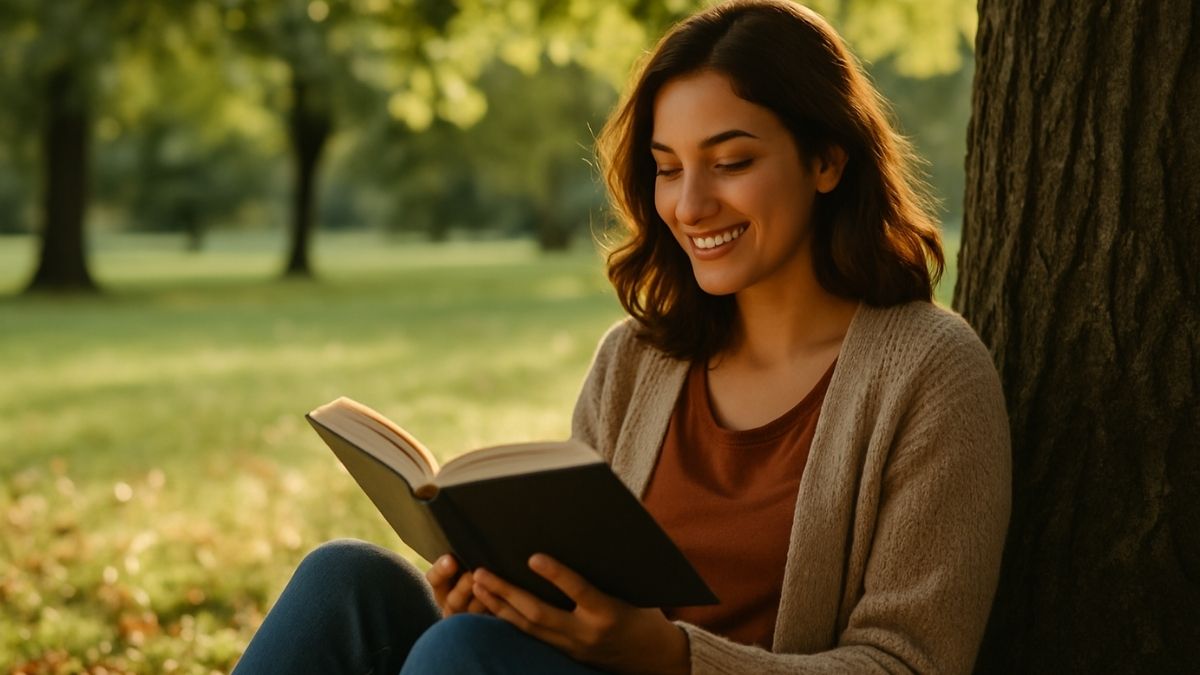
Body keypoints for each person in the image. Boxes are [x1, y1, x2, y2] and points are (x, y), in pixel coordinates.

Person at [232, 0, 1010, 673]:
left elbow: (910, 663)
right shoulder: (638, 358)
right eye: (667, 168)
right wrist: (508, 601)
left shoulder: (931, 373)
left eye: (731, 161)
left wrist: (671, 657)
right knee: (348, 582)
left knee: (458, 658)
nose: (691, 204)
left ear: (827, 159)